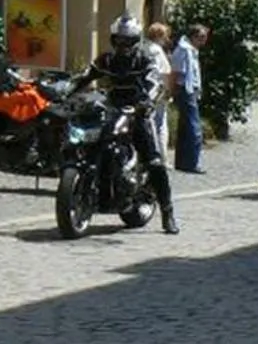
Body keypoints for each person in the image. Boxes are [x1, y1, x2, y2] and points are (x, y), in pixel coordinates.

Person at [70, 15, 178, 234]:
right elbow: (85, 76)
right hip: (112, 109)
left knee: (155, 162)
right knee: (88, 140)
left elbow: (155, 82)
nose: (122, 45)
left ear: (135, 40)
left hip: (138, 112)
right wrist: (64, 90)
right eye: (118, 40)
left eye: (127, 40)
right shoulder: (107, 60)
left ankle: (168, 212)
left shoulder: (144, 59)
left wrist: (147, 100)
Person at [171, 23, 209, 174]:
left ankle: (183, 162)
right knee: (194, 128)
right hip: (185, 90)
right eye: (201, 37)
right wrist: (173, 90)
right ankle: (192, 163)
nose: (203, 41)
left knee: (186, 127)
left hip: (191, 90)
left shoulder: (192, 50)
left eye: (205, 37)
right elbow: (177, 72)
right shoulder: (184, 50)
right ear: (192, 36)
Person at [142, 22, 172, 158]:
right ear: (159, 36)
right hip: (157, 91)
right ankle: (162, 157)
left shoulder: (143, 48)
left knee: (149, 123)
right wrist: (167, 91)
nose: (167, 39)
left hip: (145, 91)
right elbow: (164, 72)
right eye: (165, 36)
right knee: (160, 125)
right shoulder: (158, 51)